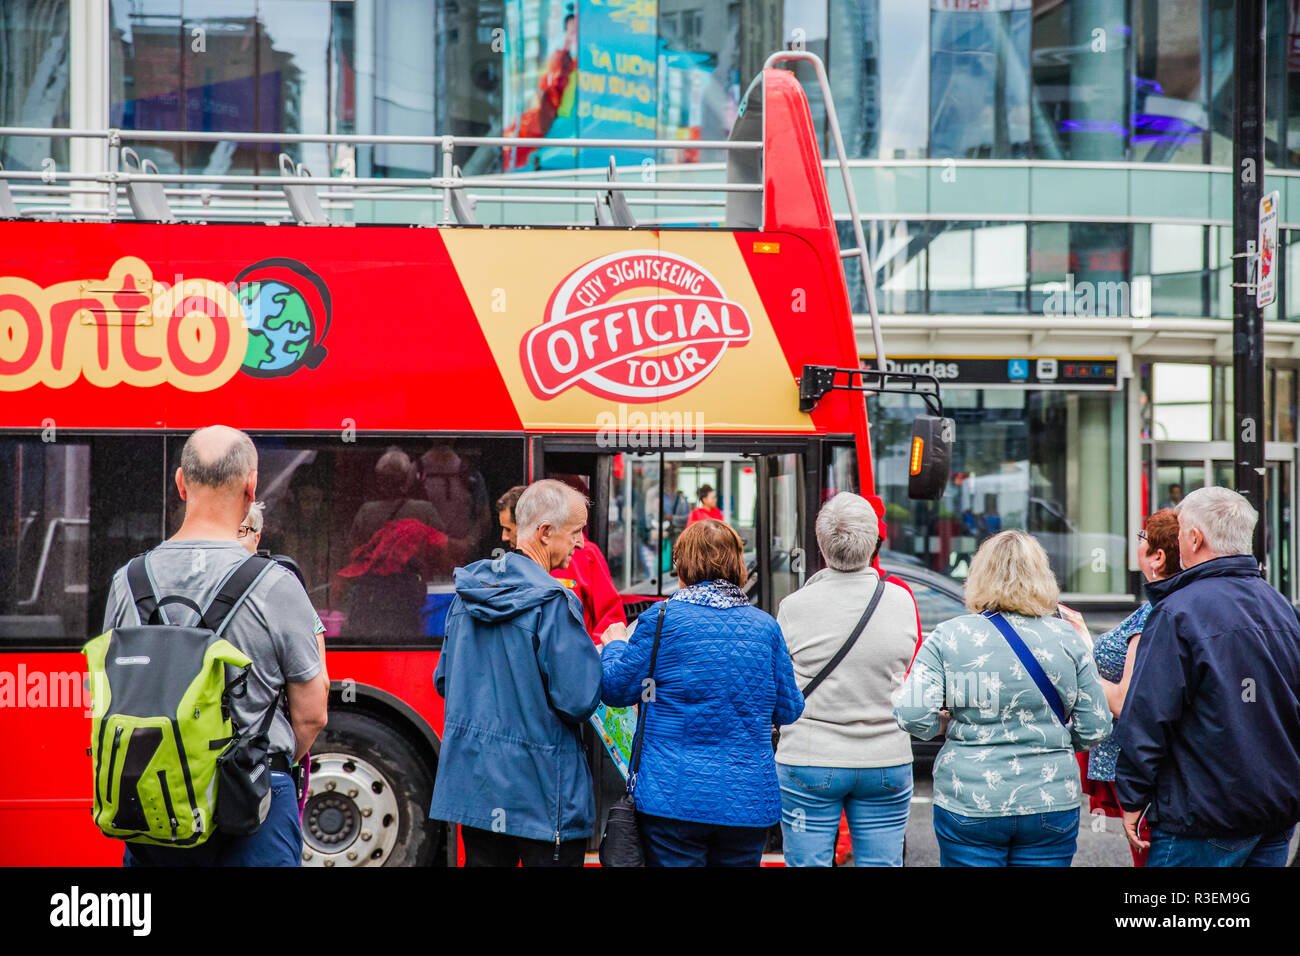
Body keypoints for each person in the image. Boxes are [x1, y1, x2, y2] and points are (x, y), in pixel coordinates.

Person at [102, 426, 328, 867]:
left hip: (153, 800)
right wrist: (258, 766)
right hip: (253, 804)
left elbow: (107, 694)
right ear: (251, 485)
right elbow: (313, 712)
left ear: (181, 483)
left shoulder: (128, 581)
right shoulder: (276, 584)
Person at [894, 530, 1112, 867]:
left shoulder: (949, 636)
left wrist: (945, 724)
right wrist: (1053, 738)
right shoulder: (1067, 637)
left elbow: (911, 715)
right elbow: (1097, 726)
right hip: (1050, 799)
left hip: (970, 800)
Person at [600, 519, 804, 866]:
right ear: (738, 566)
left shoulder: (661, 619)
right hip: (747, 802)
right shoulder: (766, 627)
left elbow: (616, 689)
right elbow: (789, 710)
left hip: (671, 798)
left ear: (683, 566)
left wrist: (614, 645)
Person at [1115, 487, 1300, 867]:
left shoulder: (1178, 612)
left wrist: (1131, 796)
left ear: (1195, 538)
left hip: (1201, 815)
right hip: (1276, 810)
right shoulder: (1281, 607)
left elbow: (1150, 714)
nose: (1179, 537)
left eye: (1181, 530)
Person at [430, 479, 603, 866]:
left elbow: (444, 680)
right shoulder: (555, 602)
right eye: (575, 533)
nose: (579, 544)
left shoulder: (467, 594)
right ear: (545, 533)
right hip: (542, 796)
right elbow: (578, 700)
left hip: (476, 792)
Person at [775, 493, 921, 867]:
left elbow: (779, 686)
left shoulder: (794, 607)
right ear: (874, 542)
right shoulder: (901, 601)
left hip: (810, 758)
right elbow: (909, 669)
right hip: (886, 759)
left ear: (821, 546)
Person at [1081, 508, 1180, 866]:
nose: (1136, 539)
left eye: (1144, 536)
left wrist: (1080, 658)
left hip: (1145, 773)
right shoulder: (1157, 605)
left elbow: (1125, 701)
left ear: (1158, 557)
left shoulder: (1156, 613)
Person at [497, 483, 625, 645]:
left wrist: (591, 654)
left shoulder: (587, 554)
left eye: (508, 529)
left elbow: (611, 617)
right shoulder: (506, 568)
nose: (504, 537)